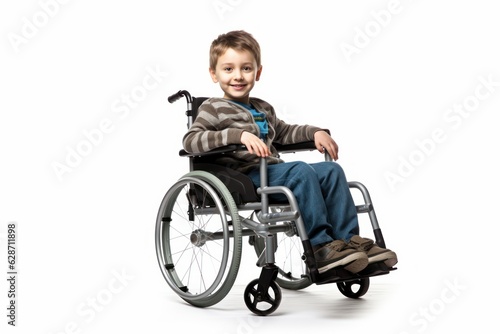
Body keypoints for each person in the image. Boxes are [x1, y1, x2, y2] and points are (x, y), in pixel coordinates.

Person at [183, 30, 397, 276]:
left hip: (272, 172)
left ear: (258, 72)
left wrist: (315, 132)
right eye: (228, 69)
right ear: (214, 74)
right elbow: (191, 141)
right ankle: (321, 247)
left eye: (246, 68)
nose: (238, 76)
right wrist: (238, 136)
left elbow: (284, 132)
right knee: (300, 170)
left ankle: (349, 243)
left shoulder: (262, 108)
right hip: (241, 177)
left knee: (331, 170)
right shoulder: (213, 107)